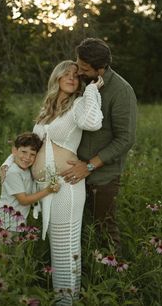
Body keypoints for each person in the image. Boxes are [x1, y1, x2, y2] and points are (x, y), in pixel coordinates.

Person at [1, 60, 104, 305]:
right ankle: (62, 300)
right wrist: (8, 162)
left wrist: (91, 90)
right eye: (66, 74)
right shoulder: (46, 111)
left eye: (76, 76)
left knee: (65, 249)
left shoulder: (78, 104)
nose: (71, 78)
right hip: (43, 188)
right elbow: (31, 145)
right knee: (55, 250)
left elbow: (93, 122)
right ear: (56, 78)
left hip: (65, 186)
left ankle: (66, 302)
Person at [61, 38, 137, 254]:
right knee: (81, 229)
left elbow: (125, 139)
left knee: (105, 230)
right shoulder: (82, 84)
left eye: (84, 69)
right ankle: (84, 271)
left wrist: (89, 167)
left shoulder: (121, 91)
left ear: (100, 69)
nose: (78, 71)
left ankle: (116, 277)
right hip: (74, 171)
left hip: (101, 177)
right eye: (78, 64)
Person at [0, 132, 60, 254]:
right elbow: (23, 200)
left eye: (32, 154)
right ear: (15, 151)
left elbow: (14, 157)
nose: (27, 157)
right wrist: (48, 190)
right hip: (3, 224)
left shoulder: (25, 169)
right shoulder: (12, 172)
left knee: (15, 261)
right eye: (24, 152)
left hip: (17, 224)